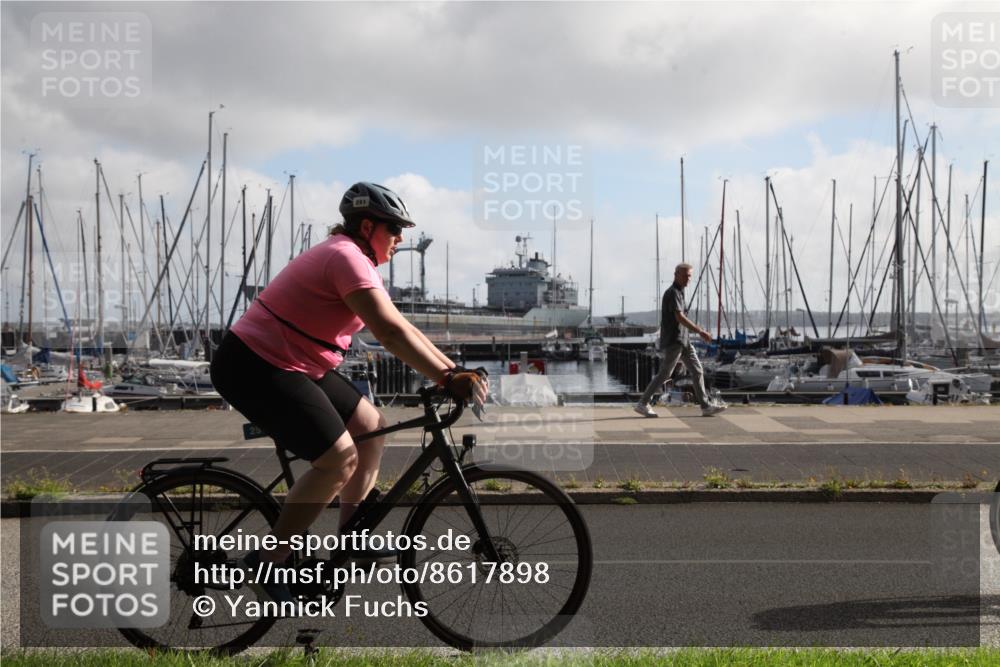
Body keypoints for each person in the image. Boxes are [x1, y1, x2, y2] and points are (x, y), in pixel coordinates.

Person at [210, 182, 487, 606]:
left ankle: (351, 536)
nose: (401, 238)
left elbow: (405, 327)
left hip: (295, 362)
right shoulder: (344, 257)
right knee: (338, 459)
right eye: (394, 229)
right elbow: (390, 334)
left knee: (371, 425)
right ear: (368, 225)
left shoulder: (355, 260)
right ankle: (269, 563)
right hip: (253, 364)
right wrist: (448, 379)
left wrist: (452, 372)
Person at [634, 262, 726, 418]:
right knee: (665, 373)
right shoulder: (673, 293)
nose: (688, 279)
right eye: (685, 275)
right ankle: (643, 403)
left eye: (690, 276)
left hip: (684, 340)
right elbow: (679, 317)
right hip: (675, 340)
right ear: (676, 275)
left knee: (697, 370)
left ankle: (705, 406)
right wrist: (700, 331)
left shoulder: (680, 292)